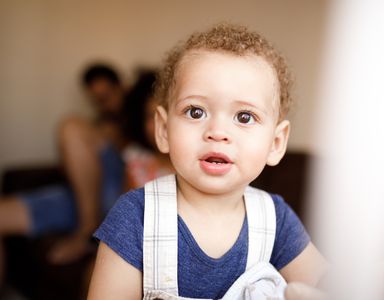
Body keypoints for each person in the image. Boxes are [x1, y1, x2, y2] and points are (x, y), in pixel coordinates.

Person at [88, 23, 329, 299]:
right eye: (195, 112)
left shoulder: (276, 219)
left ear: (275, 143)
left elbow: (324, 283)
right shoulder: (136, 216)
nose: (217, 132)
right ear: (164, 131)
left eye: (244, 117)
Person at [0, 63, 127, 289]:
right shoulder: (95, 128)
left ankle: (87, 230)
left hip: (117, 194)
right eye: (96, 99)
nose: (103, 104)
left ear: (121, 88)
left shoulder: (138, 118)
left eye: (107, 96)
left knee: (70, 125)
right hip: (81, 198)